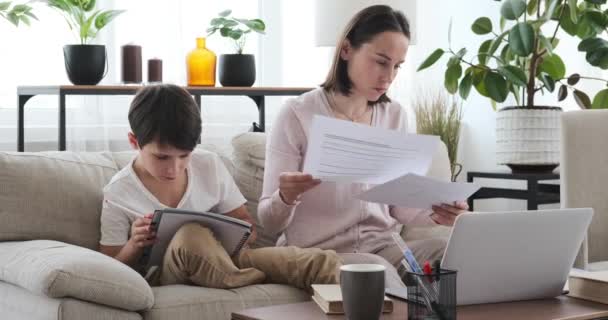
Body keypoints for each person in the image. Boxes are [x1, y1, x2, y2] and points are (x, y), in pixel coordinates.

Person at [258, 5, 469, 289]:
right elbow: (269, 223)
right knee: (377, 271)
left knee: (459, 257)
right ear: (346, 49)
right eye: (381, 61)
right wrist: (286, 196)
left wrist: (438, 211)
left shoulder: (395, 116)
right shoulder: (297, 114)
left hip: (385, 248)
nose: (389, 76)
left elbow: (398, 207)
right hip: (323, 253)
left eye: (397, 65)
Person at [99, 84, 341, 291]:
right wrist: (134, 245)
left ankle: (372, 298)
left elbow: (248, 229)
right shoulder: (118, 192)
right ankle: (239, 279)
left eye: (184, 155)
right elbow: (108, 269)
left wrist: (236, 231)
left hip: (228, 257)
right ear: (134, 142)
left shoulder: (208, 165)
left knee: (317, 262)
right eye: (162, 158)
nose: (174, 168)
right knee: (190, 234)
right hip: (169, 274)